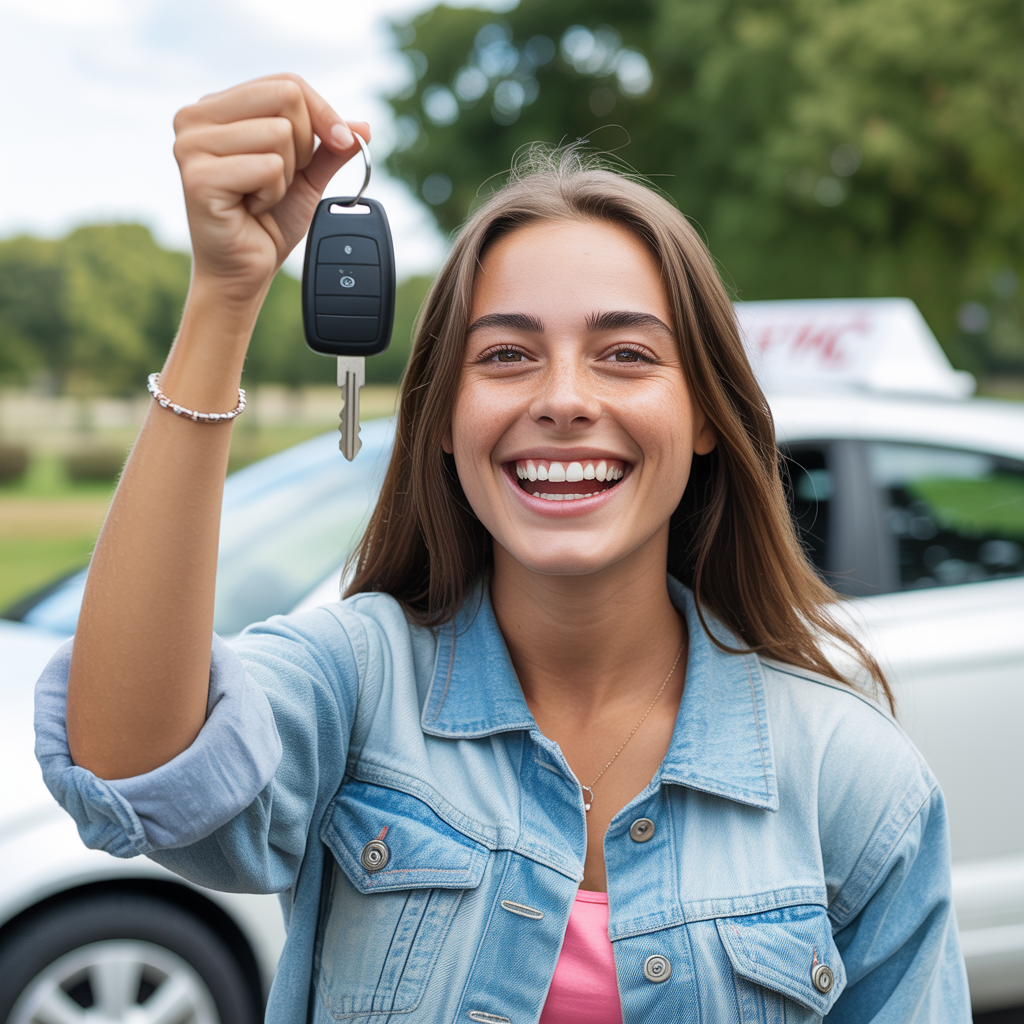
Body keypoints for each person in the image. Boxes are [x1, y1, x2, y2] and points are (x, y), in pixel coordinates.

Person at [36, 74, 970, 1023]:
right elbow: (128, 769)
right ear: (442, 419)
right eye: (507, 355)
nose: (563, 398)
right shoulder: (356, 686)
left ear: (704, 418)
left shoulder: (853, 779)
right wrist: (225, 298)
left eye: (627, 354)